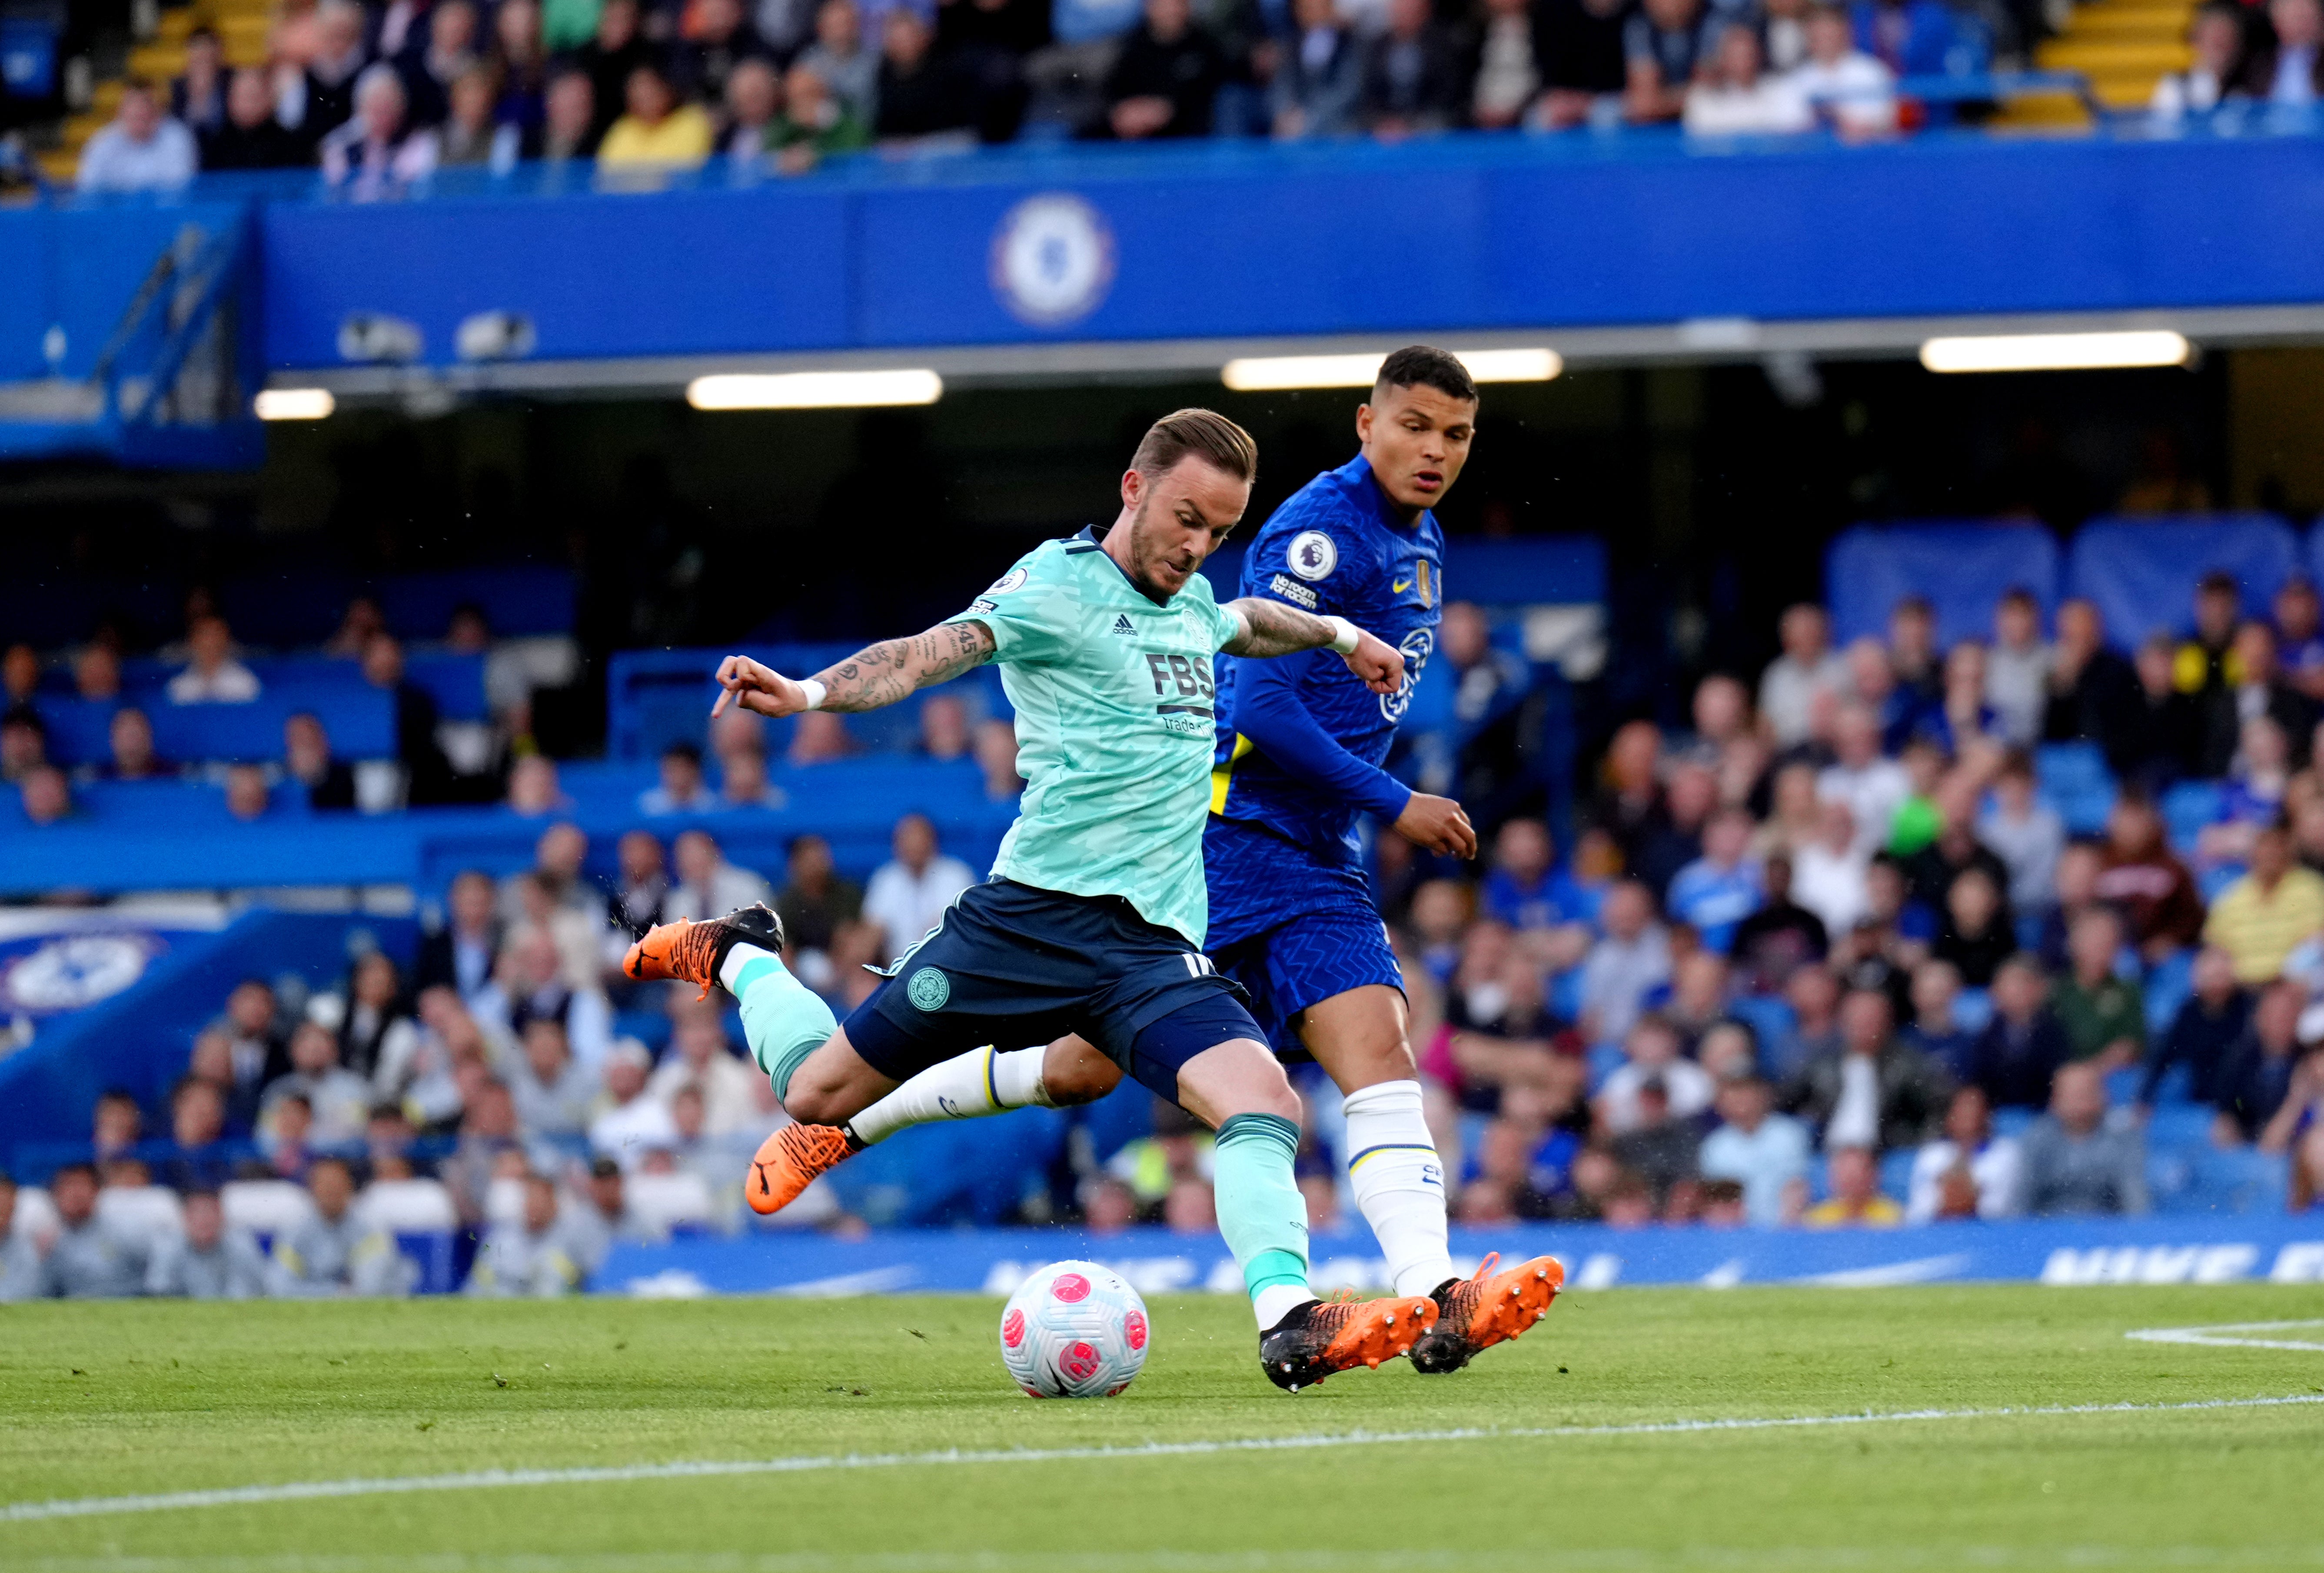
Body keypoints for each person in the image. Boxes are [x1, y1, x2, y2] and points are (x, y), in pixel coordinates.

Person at [622, 407, 1530, 1392]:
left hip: (1154, 948)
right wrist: (803, 695)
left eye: (1217, 532)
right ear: (1132, 488)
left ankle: (1291, 1318)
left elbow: (1251, 620)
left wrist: (1344, 633)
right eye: (1185, 518)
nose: (1196, 547)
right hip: (1028, 923)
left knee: (1260, 1098)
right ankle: (745, 952)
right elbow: (933, 650)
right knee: (814, 1090)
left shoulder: (1190, 607)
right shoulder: (1055, 585)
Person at [1780, 986, 1952, 1153]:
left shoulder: (1907, 1065)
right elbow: (1787, 1102)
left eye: (1872, 1018)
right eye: (1856, 1018)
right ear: (1843, 1021)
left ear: (1887, 1022)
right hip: (1830, 1155)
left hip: (1886, 1155)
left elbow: (1939, 1106)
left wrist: (1911, 1142)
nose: (1863, 1025)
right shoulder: (1823, 1065)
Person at [266, 1157, 417, 1296]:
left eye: (337, 1183)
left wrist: (315, 1293)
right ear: (311, 1189)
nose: (331, 1191)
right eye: (324, 1184)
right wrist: (336, 1292)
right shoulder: (295, 1229)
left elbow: (370, 1288)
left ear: (350, 1187)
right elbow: (279, 1286)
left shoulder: (371, 1226)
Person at [2019, 1063, 2148, 1216]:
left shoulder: (2124, 1137)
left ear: (2105, 1096)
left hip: (2107, 1230)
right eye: (2073, 1095)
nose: (2081, 1102)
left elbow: (2135, 1199)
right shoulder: (2037, 1138)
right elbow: (2021, 1198)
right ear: (2054, 1100)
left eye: (2088, 1093)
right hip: (2047, 1229)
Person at [2205, 823, 2324, 985]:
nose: (2270, 856)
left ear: (2287, 853)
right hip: (2242, 988)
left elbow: (2317, 941)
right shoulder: (2234, 895)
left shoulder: (2310, 889)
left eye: (2276, 850)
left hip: (2293, 984)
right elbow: (2216, 946)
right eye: (2265, 851)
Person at [1102, 0, 1231, 139]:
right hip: (1135, 139)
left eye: (1176, 4)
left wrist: (1166, 111)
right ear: (1149, 8)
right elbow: (1113, 91)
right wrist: (1127, 111)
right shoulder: (1131, 47)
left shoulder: (1206, 48)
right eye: (1164, 4)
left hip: (1192, 137)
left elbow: (1208, 93)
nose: (1171, 11)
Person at [2141, 945, 2250, 1109]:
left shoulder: (2248, 1012)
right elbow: (2165, 1056)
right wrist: (2145, 1098)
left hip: (2240, 1103)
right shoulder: (2189, 1012)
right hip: (2201, 1099)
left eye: (2221, 977)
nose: (2217, 986)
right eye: (2212, 978)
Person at [862, 813, 975, 965]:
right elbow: (873, 932)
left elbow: (956, 929)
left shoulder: (957, 874)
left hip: (947, 966)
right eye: (907, 838)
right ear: (896, 844)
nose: (913, 844)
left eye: (918, 837)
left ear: (933, 841)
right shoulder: (886, 879)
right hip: (895, 969)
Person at [1697, 1073, 1812, 1225]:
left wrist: (1785, 1233)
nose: (1740, 1098)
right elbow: (1718, 1205)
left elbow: (1797, 1189)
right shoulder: (1714, 1146)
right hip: (1737, 1235)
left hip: (1784, 1233)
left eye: (1746, 1090)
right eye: (1733, 1091)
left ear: (1764, 1094)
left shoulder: (1789, 1134)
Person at [467, 1172, 602, 1295]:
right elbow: (475, 1287)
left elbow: (592, 1282)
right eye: (531, 1197)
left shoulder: (571, 1240)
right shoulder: (501, 1237)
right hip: (500, 1310)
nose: (535, 1204)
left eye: (541, 1198)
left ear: (554, 1203)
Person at [1905, 1084, 2021, 1221]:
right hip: (1938, 1231)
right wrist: (1947, 1201)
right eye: (1962, 1109)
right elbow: (1918, 1211)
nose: (1968, 1115)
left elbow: (2004, 1209)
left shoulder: (2006, 1154)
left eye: (1974, 1108)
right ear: (1949, 1116)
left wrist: (1970, 1201)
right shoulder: (1931, 1155)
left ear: (1987, 1115)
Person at [33, 1164, 148, 1298]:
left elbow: (154, 1270)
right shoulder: (51, 1241)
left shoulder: (125, 1230)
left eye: (83, 1186)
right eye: (69, 1186)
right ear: (56, 1194)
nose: (77, 1194)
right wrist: (44, 1259)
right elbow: (44, 1293)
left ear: (97, 1191)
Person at [1683, 22, 1813, 134]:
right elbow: (1702, 135)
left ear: (1760, 56)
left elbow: (1798, 130)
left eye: (1748, 55)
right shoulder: (1703, 98)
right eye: (1735, 56)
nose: (1743, 63)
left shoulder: (1784, 90)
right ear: (1722, 60)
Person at [77, 78, 198, 192]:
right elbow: (89, 194)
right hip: (116, 214)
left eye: (146, 103)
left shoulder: (178, 138)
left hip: (167, 213)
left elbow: (181, 192)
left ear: (159, 109)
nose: (140, 110)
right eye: (133, 105)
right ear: (121, 111)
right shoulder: (102, 145)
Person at [145, 1189, 268, 1299]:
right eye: (197, 1213)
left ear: (222, 1216)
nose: (205, 1219)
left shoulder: (241, 1245)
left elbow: (248, 1292)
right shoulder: (169, 1247)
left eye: (211, 1212)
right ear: (185, 1218)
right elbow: (160, 1291)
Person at [1271, 0, 1366, 139]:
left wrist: (1311, 117)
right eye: (1306, 8)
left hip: (1335, 120)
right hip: (1294, 121)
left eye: (1317, 7)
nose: (1311, 12)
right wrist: (1285, 112)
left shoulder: (1350, 44)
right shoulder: (1291, 46)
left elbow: (1347, 88)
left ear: (1330, 8)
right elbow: (1282, 85)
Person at [598, 61, 716, 167]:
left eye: (650, 89)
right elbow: (607, 174)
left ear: (665, 87)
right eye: (638, 91)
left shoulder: (692, 122)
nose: (645, 97)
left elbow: (685, 173)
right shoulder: (622, 129)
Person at [203, 67, 309, 168]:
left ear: (269, 99)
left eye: (252, 97)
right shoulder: (216, 146)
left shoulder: (291, 146)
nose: (246, 105)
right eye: (241, 97)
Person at [2152, 2, 2247, 115]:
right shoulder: (2176, 88)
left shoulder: (2243, 93)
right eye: (2214, 40)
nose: (2220, 46)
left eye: (2227, 38)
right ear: (2196, 40)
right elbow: (2165, 129)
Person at [2235, 0, 2324, 103]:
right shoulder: (2258, 64)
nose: (2301, 21)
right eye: (2294, 15)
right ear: (2275, 19)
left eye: (2305, 14)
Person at [167, 615, 260, 705]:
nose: (210, 644)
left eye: (216, 637)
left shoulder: (245, 684)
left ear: (227, 641)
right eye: (204, 636)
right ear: (193, 642)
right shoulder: (179, 688)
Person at [1802, 1144, 1902, 1226]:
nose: (1852, 1184)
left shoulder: (1893, 1218)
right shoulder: (1816, 1221)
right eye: (1846, 1176)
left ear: (1873, 1176)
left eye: (1856, 1176)